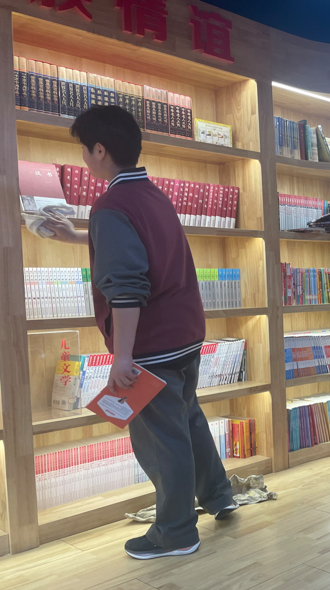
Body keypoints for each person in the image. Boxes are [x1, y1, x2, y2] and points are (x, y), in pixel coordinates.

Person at [42, 105, 237, 560]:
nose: (84, 158)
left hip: (151, 344)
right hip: (185, 334)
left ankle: (176, 532)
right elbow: (143, 246)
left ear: (100, 150)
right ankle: (219, 495)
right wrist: (77, 236)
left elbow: (127, 288)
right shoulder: (152, 194)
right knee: (188, 420)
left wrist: (123, 356)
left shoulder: (111, 205)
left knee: (161, 439)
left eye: (84, 150)